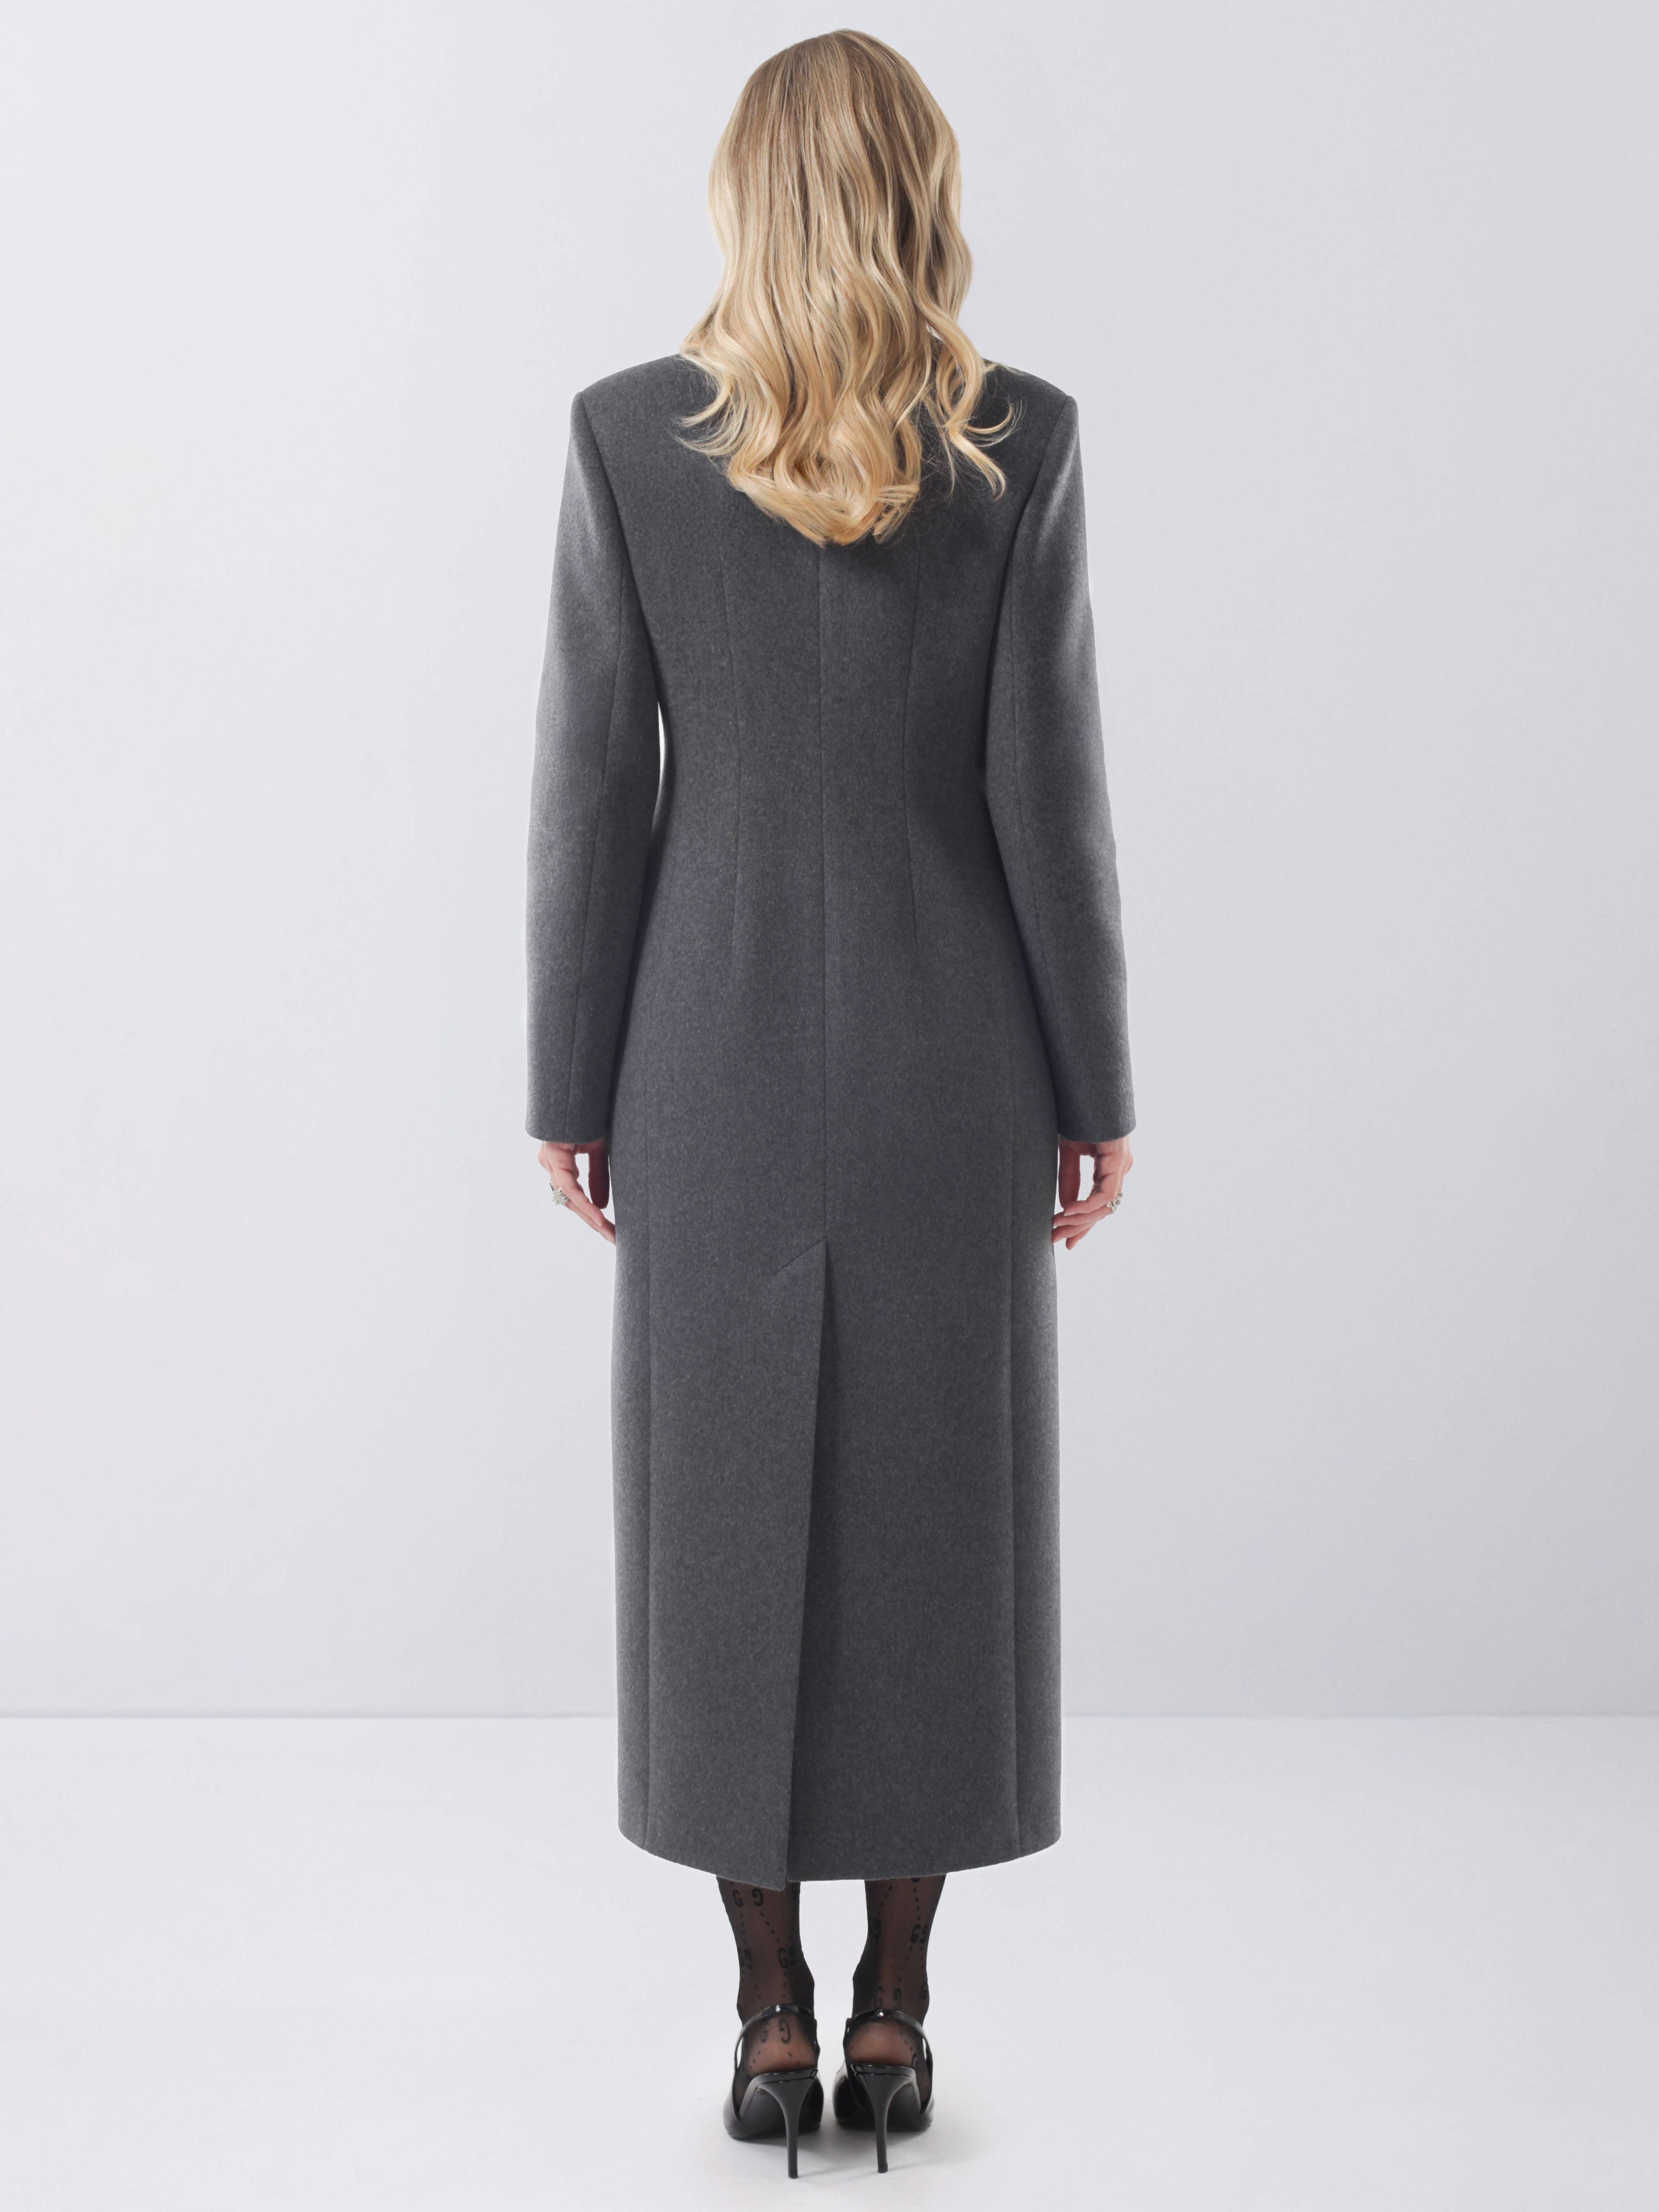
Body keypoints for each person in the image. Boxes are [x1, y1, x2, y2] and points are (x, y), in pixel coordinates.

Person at [526, 30, 1133, 2179]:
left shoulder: (629, 437)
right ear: (918, 192)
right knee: (935, 1522)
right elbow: (1048, 795)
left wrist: (567, 1072)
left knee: (723, 1525)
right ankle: (899, 2008)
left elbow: (595, 787)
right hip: (955, 1060)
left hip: (699, 1053)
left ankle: (767, 2014)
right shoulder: (1017, 442)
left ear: (744, 194)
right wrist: (1096, 1078)